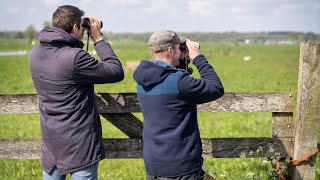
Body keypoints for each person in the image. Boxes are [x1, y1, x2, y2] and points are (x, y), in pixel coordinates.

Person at [29, 5, 124, 179]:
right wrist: (98, 39)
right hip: (80, 145)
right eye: (82, 25)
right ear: (74, 27)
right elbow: (116, 71)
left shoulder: (35, 53)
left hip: (51, 142)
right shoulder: (74, 57)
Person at [133, 30, 224, 179]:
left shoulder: (142, 79)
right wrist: (198, 57)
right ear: (170, 50)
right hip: (181, 166)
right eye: (178, 47)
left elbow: (169, 82)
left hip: (154, 163)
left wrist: (181, 61)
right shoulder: (180, 81)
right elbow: (216, 88)